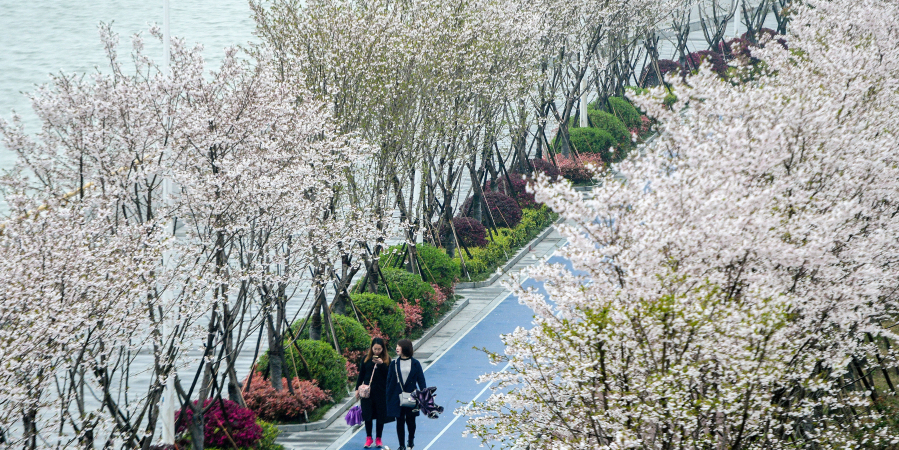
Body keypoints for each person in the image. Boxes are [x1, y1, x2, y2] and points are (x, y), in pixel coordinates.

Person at [386, 339, 426, 450]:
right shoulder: (394, 364)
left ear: (405, 348)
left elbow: (421, 380)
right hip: (397, 397)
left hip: (412, 396)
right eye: (397, 346)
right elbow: (389, 381)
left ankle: (411, 440)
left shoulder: (415, 363)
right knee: (399, 421)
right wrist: (388, 397)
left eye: (399, 346)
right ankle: (401, 445)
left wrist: (424, 396)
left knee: (411, 421)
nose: (397, 348)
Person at [356, 338, 393, 448]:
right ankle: (368, 438)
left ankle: (378, 438)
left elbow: (389, 376)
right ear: (371, 348)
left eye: (379, 349)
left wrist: (381, 365)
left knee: (380, 416)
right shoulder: (366, 359)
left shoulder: (387, 360)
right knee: (367, 415)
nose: (377, 351)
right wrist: (356, 389)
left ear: (383, 349)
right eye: (375, 349)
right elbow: (361, 375)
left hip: (381, 392)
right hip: (367, 393)